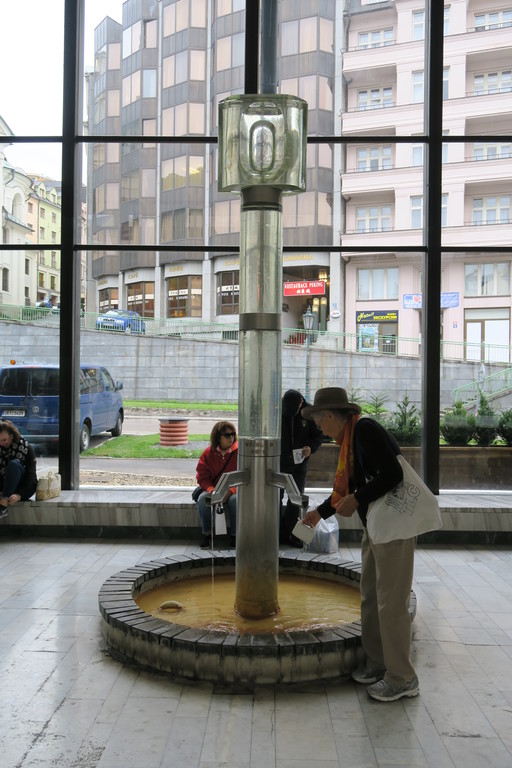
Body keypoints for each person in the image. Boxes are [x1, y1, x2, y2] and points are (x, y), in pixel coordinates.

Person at [301, 387, 419, 702]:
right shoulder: (350, 443)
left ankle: (402, 678)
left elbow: (393, 474)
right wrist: (318, 514)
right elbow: (346, 492)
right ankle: (379, 664)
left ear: (329, 416)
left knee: (391, 603)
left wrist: (358, 498)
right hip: (377, 527)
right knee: (370, 597)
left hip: (394, 529)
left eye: (318, 421)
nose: (318, 429)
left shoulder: (364, 431)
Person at [279, 389, 324, 546]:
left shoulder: (309, 414)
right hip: (279, 463)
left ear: (301, 404)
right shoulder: (277, 411)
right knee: (275, 499)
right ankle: (277, 533)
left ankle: (292, 535)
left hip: (299, 464)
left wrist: (310, 448)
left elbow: (318, 437)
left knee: (295, 500)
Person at [195, 420, 238, 549]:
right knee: (203, 499)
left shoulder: (240, 452)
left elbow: (243, 476)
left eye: (233, 434)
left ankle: (235, 536)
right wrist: (211, 490)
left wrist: (231, 491)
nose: (231, 437)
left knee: (235, 501)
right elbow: (202, 476)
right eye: (227, 435)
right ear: (218, 437)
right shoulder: (208, 453)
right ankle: (207, 534)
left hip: (233, 490)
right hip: (213, 488)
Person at [0, 420, 38, 518]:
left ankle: (3, 506)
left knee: (13, 464)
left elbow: (31, 476)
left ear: (11, 435)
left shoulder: (26, 448)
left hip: (23, 487)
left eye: (4, 440)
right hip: (4, 486)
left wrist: (19, 495)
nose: (1, 443)